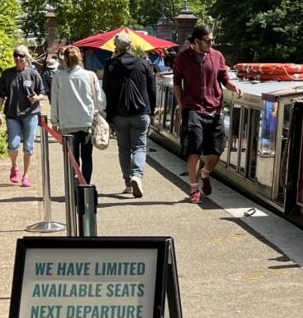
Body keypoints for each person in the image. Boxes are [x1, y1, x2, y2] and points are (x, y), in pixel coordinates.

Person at [172, 24, 240, 202]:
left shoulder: (217, 57)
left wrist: (234, 87)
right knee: (194, 150)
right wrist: (183, 105)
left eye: (212, 40)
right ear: (196, 41)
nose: (211, 43)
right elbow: (177, 84)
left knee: (217, 151)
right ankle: (194, 189)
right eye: (208, 41)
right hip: (193, 109)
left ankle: (205, 173)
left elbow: (224, 79)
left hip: (214, 109)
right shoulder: (182, 59)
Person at [102, 31, 157, 198]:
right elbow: (152, 89)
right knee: (140, 146)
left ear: (115, 47)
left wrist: (109, 117)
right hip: (141, 112)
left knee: (123, 149)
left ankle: (128, 183)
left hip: (119, 114)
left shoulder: (110, 65)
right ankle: (137, 176)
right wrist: (151, 110)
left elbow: (107, 92)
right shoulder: (143, 64)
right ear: (131, 46)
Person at [49, 45, 105, 184]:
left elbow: (54, 101)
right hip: (87, 122)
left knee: (71, 158)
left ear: (65, 59)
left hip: (67, 123)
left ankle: (72, 184)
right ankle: (85, 185)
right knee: (87, 156)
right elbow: (99, 99)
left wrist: (54, 122)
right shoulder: (90, 75)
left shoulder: (58, 77)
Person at [0, 45, 44, 186]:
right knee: (13, 144)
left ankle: (26, 174)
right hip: (12, 114)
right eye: (16, 55)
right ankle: (14, 166)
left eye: (21, 56)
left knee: (28, 146)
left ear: (26, 58)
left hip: (30, 114)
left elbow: (42, 93)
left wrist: (36, 98)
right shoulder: (7, 74)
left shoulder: (33, 74)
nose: (18, 58)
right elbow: (1, 95)